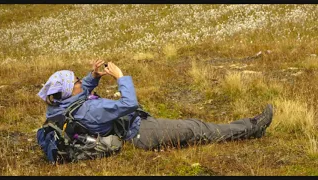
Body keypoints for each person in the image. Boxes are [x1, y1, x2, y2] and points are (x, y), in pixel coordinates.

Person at [37, 60, 274, 152]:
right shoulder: (91, 109)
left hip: (129, 128)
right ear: (69, 90)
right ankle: (252, 128)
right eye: (77, 81)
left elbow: (80, 94)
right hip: (139, 133)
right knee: (196, 128)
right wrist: (121, 77)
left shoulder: (59, 107)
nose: (80, 81)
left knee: (193, 128)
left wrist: (93, 76)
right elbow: (130, 103)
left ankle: (248, 128)